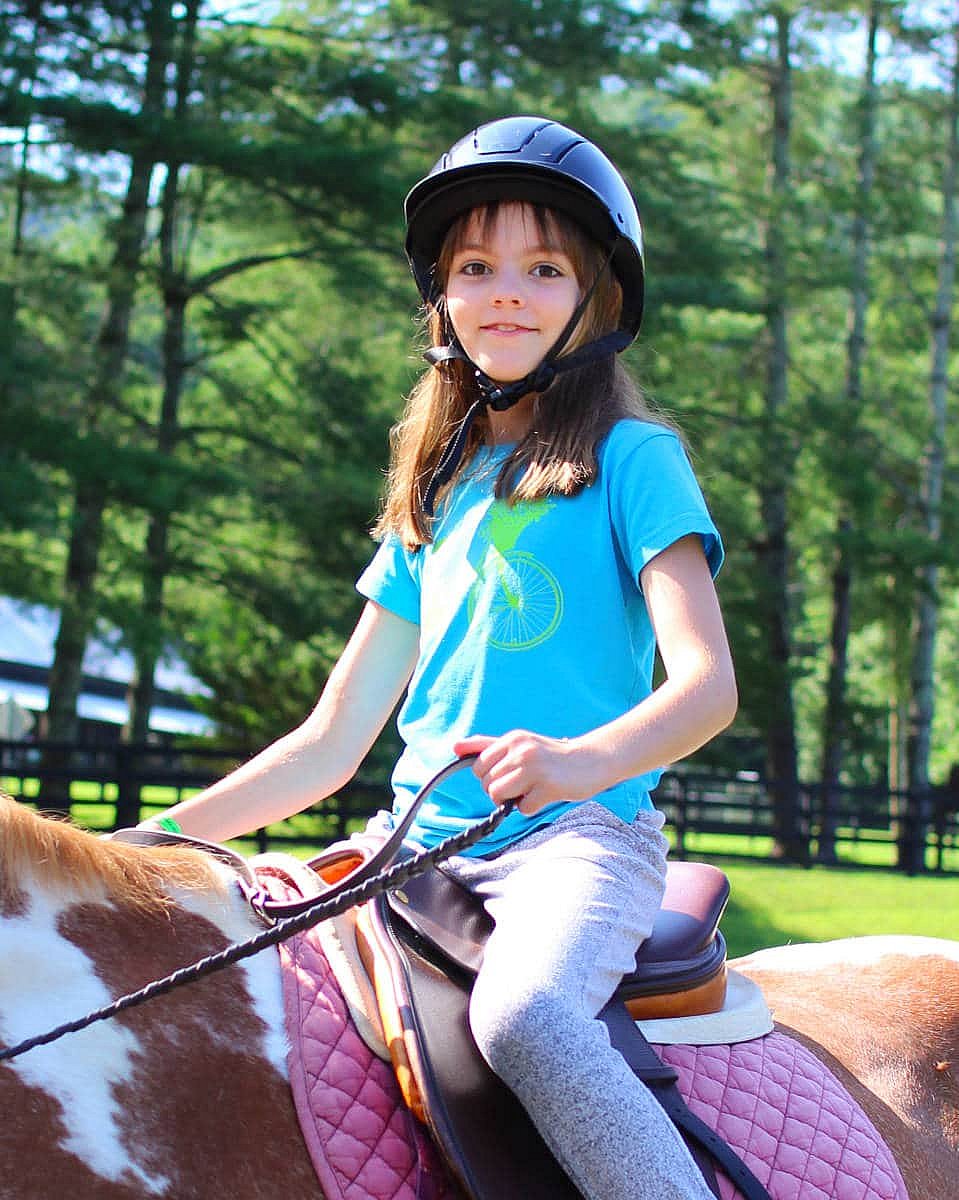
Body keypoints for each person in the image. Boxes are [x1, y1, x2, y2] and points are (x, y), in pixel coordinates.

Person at [145, 116, 737, 1200]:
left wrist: (574, 764)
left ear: (596, 297)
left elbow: (705, 687)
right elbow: (328, 742)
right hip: (410, 846)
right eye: (475, 266)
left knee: (528, 1019)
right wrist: (155, 844)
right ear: (442, 297)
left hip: (573, 846)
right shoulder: (435, 496)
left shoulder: (632, 462)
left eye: (541, 267)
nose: (503, 291)